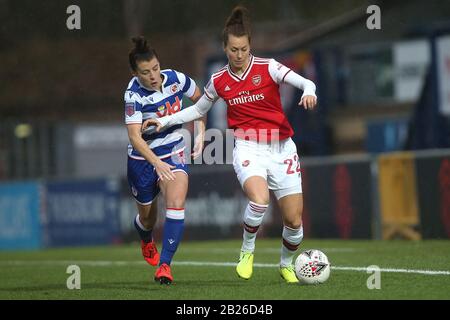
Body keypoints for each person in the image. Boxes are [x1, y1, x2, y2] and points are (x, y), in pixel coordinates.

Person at [143, 6, 317, 283]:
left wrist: (309, 91)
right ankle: (247, 251)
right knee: (259, 200)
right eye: (234, 49)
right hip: (249, 148)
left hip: (282, 148)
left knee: (294, 223)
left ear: (250, 47)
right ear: (225, 48)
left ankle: (286, 264)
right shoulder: (219, 80)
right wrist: (165, 121)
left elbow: (305, 82)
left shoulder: (268, 67)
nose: (239, 55)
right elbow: (197, 108)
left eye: (244, 49)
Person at [124, 36, 205, 285]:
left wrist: (201, 135)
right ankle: (146, 238)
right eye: (146, 72)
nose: (153, 76)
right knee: (148, 218)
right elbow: (135, 138)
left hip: (174, 150)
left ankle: (165, 266)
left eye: (156, 68)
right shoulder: (133, 95)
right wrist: (156, 163)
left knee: (176, 202)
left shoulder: (176, 79)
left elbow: (202, 101)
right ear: (135, 73)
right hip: (142, 159)